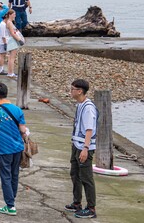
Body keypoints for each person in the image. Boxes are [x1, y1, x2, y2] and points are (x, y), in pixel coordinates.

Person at [0, 82, 27, 216]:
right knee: (14, 174)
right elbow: (23, 129)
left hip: (4, 149)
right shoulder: (17, 109)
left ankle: (10, 205)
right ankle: (12, 199)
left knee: (5, 176)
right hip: (17, 148)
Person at [66, 79, 98, 219]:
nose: (70, 91)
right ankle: (77, 202)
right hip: (76, 144)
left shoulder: (88, 107)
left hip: (84, 146)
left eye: (73, 89)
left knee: (86, 177)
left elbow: (89, 130)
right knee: (75, 173)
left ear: (80, 91)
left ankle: (91, 208)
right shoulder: (80, 105)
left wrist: (85, 148)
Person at [5, 10, 24, 79]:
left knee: (10, 57)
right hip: (12, 41)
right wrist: (19, 40)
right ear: (10, 15)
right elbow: (12, 33)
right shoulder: (9, 22)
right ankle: (11, 73)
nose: (15, 15)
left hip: (10, 41)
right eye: (14, 14)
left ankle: (10, 72)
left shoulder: (9, 22)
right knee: (12, 58)